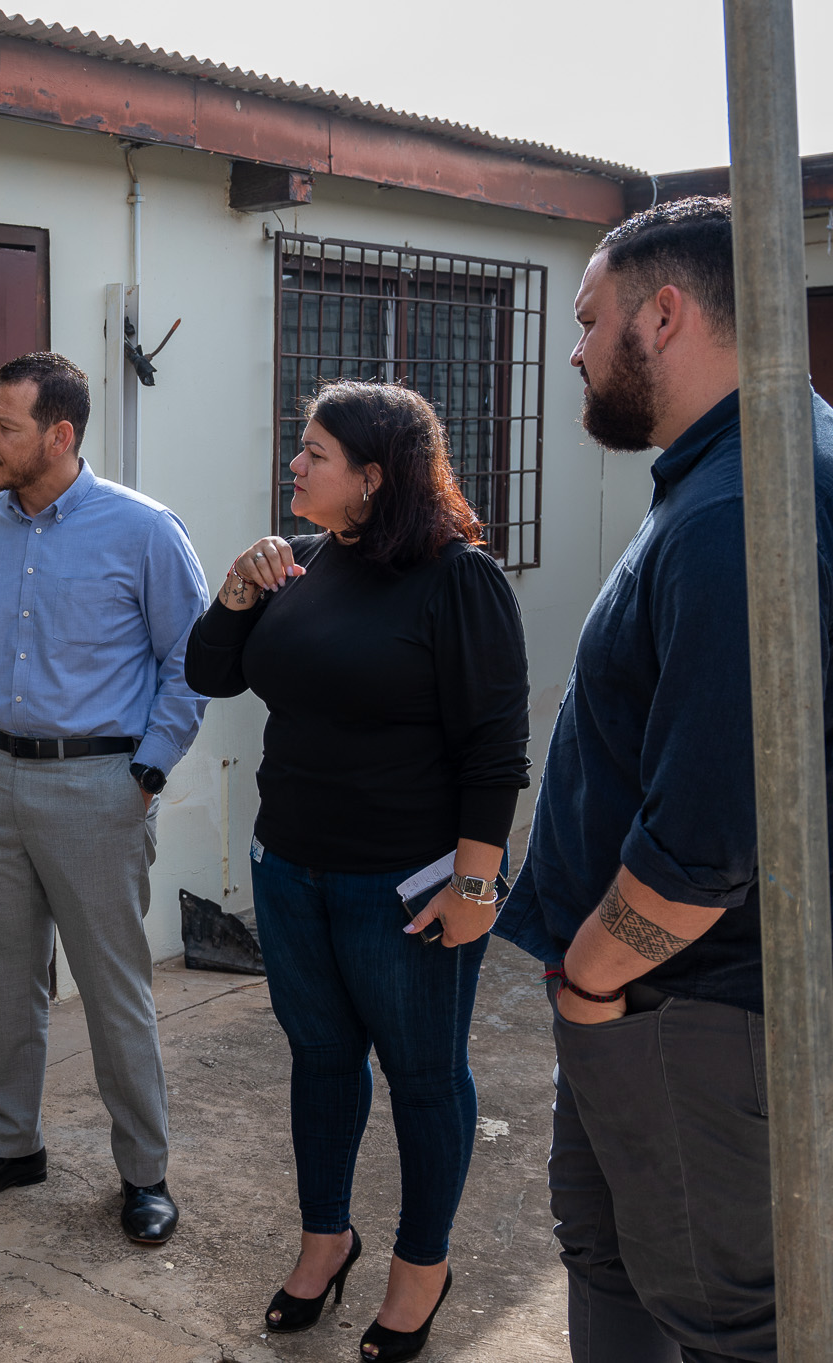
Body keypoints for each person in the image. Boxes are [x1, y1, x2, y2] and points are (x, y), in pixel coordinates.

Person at [498, 196, 833, 1363]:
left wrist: (588, 983)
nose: (576, 349)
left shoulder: (738, 509)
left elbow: (708, 837)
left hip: (685, 1009)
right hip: (666, 1004)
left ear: (667, 311)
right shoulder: (739, 467)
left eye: (587, 321)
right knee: (614, 1262)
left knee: (716, 1316)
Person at [183, 380, 529, 1360]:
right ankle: (324, 1238)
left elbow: (494, 748)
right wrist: (236, 589)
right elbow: (209, 673)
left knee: (422, 1079)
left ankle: (419, 1269)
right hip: (290, 869)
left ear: (372, 478)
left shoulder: (456, 580)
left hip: (405, 891)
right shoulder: (293, 564)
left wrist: (473, 887)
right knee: (321, 1061)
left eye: (313, 452)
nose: (293, 465)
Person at [0, 351, 210, 1246]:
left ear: (60, 434)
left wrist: (147, 770)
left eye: (4, 425)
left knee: (114, 991)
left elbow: (191, 661)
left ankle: (144, 1173)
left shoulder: (144, 531)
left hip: (97, 785)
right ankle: (12, 1143)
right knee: (3, 978)